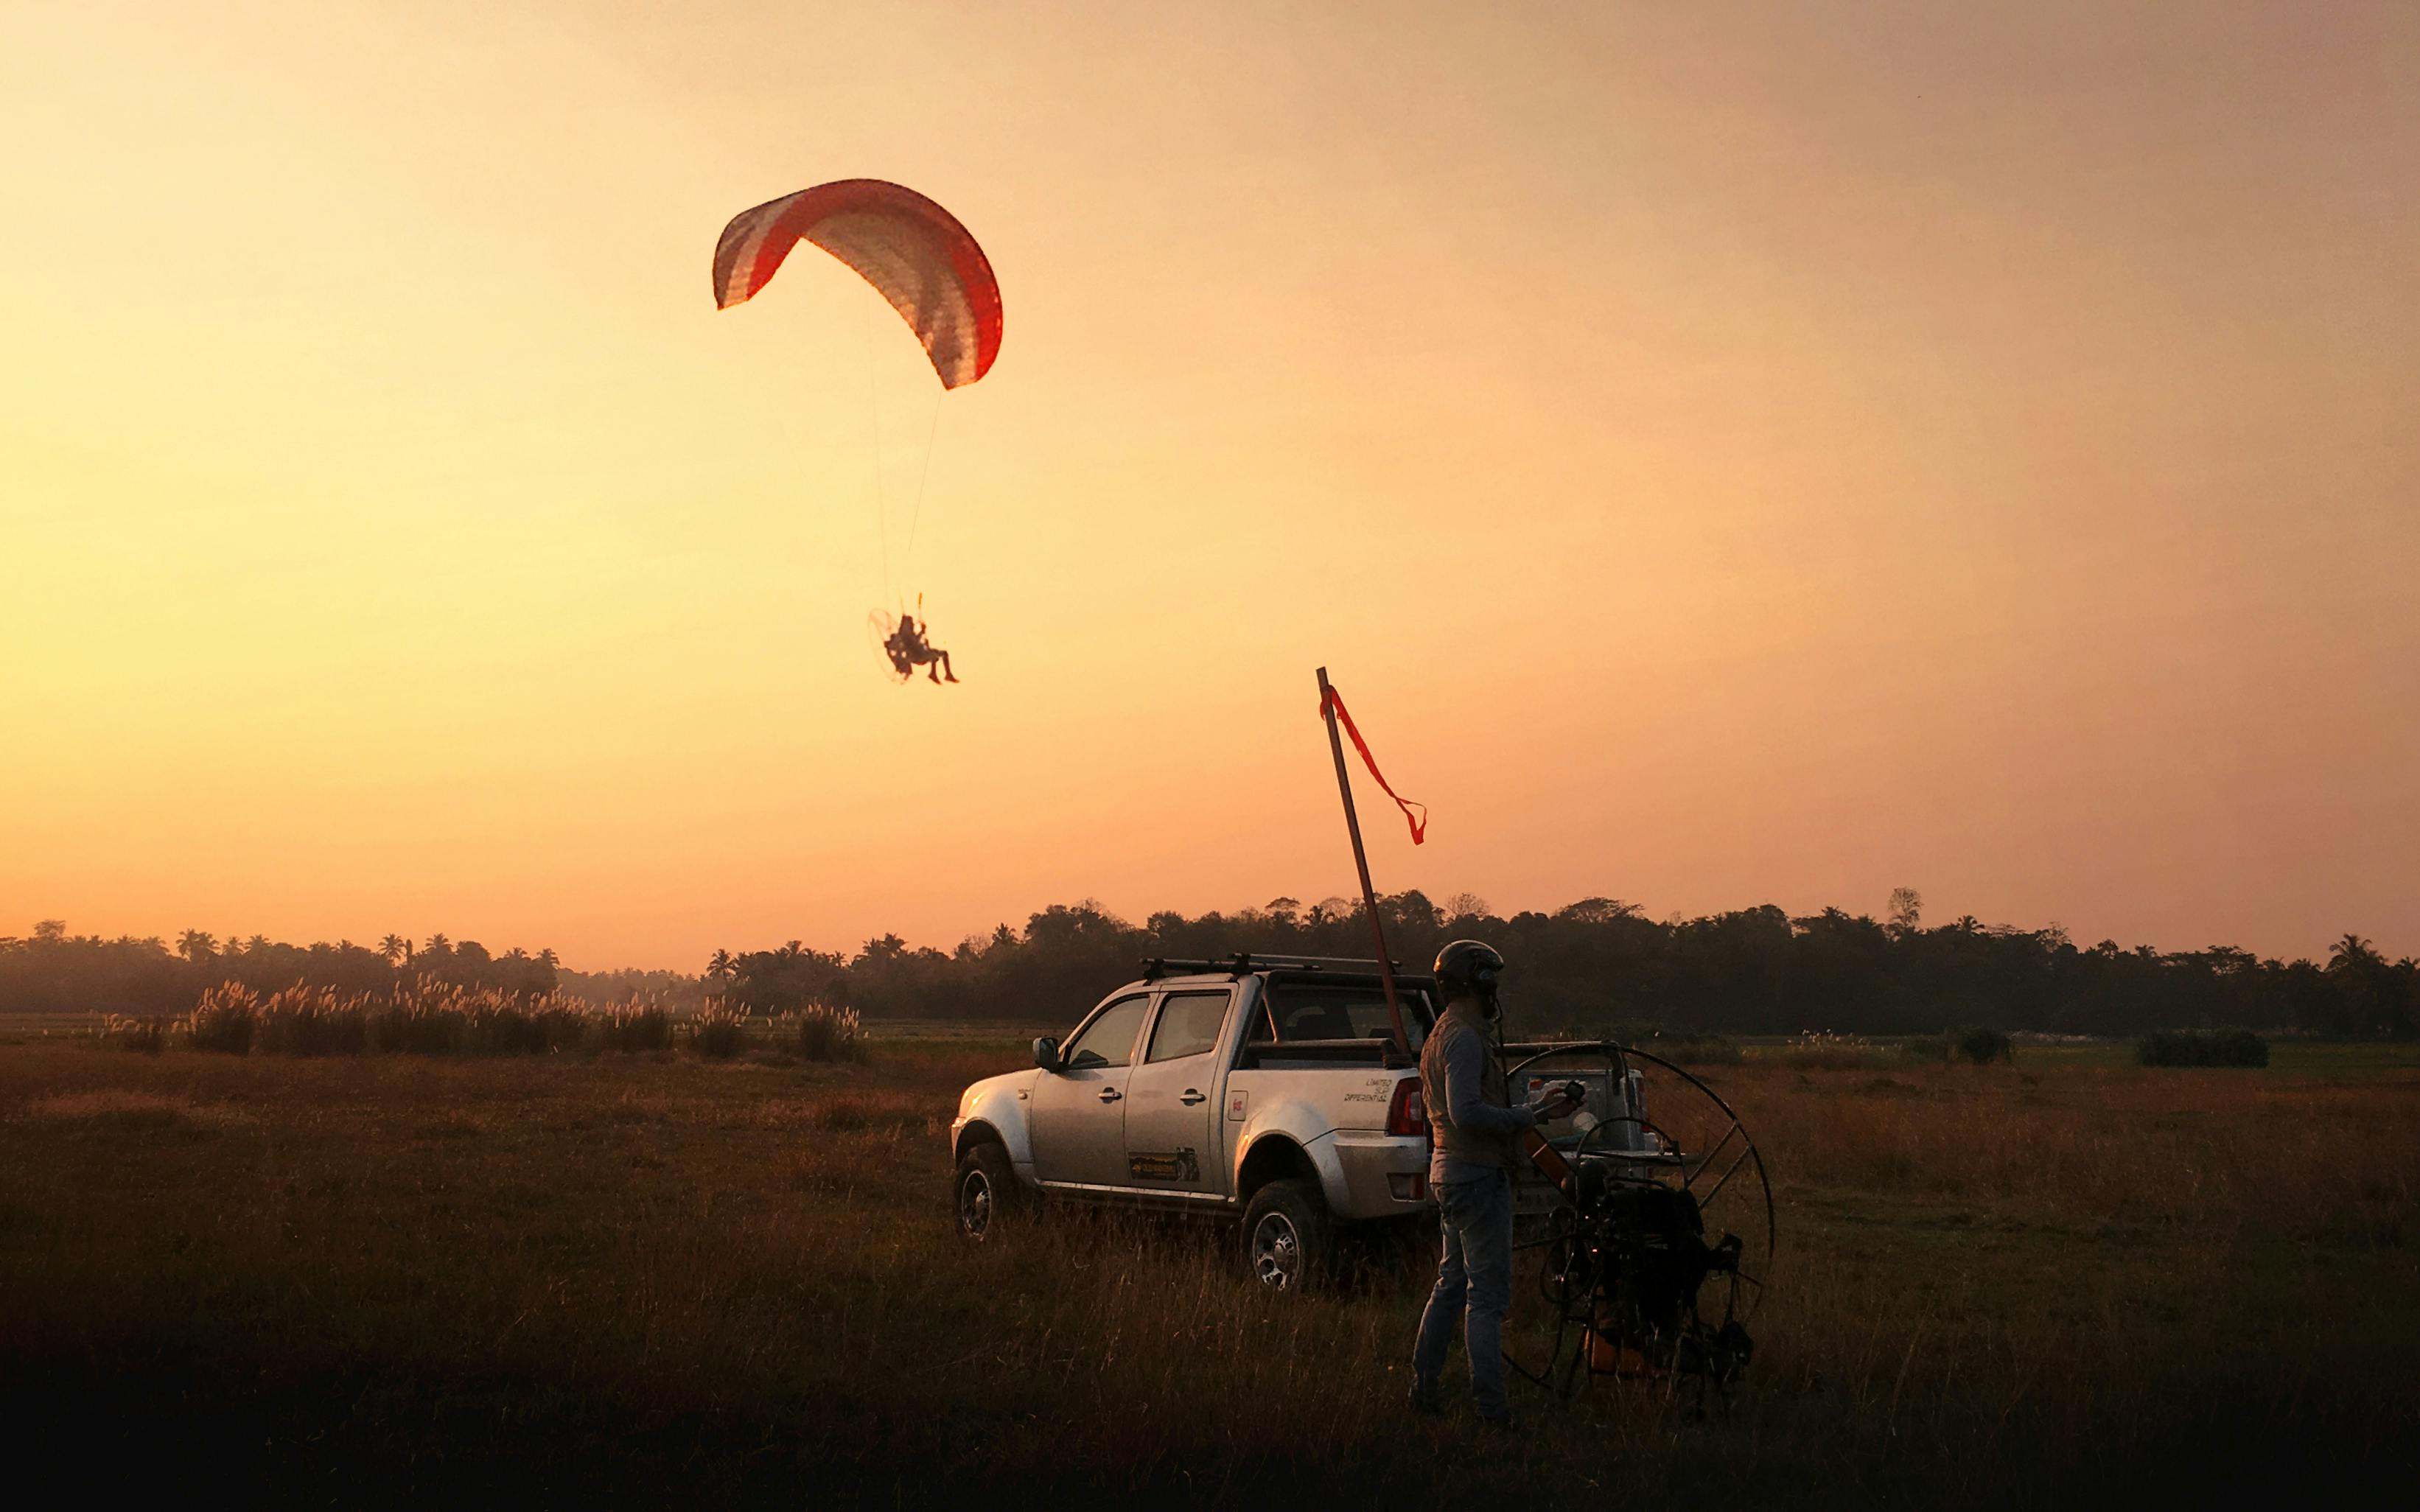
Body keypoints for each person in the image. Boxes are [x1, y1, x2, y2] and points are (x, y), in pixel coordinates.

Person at [1409, 939, 1576, 1426]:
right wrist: (1530, 1115)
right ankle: (1491, 1411)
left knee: (1451, 1283)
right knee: (1486, 1297)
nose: (1495, 990)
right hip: (1476, 1175)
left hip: (1452, 1172)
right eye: (1491, 980)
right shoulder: (1463, 1038)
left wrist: (1537, 1109)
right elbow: (1466, 1113)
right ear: (1477, 983)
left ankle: (1423, 1390)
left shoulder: (1443, 1034)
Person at [883, 613, 958, 684]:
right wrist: (923, 630)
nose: (913, 624)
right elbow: (915, 641)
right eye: (911, 623)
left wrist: (923, 631)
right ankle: (944, 674)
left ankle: (934, 674)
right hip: (918, 656)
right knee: (939, 655)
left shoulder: (903, 635)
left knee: (936, 655)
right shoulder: (907, 636)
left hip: (918, 655)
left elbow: (917, 640)